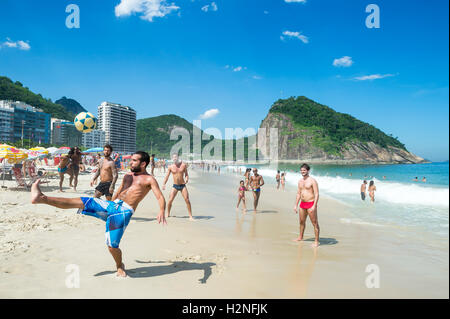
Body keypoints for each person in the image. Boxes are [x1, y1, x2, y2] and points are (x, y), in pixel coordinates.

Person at [30, 151, 167, 277]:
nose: (130, 163)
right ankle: (42, 198)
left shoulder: (149, 180)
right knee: (82, 201)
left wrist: (161, 210)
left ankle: (119, 266)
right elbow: (118, 191)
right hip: (113, 205)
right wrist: (110, 204)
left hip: (124, 212)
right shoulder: (127, 176)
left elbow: (160, 197)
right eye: (131, 160)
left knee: (112, 246)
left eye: (134, 161)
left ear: (143, 163)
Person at [293, 163, 320, 247]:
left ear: (308, 171)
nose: (302, 172)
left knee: (314, 223)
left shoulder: (312, 181)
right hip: (302, 204)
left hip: (311, 203)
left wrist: (314, 206)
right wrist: (295, 205)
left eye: (304, 170)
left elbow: (316, 194)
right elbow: (298, 193)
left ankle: (316, 241)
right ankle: (300, 237)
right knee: (301, 222)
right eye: (301, 170)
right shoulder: (300, 181)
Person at [162, 153, 193, 220]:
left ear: (178, 157)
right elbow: (167, 176)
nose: (174, 158)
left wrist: (187, 178)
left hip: (182, 185)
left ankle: (190, 216)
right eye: (173, 157)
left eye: (176, 157)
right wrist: (164, 184)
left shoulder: (183, 165)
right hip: (175, 186)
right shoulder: (171, 166)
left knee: (187, 200)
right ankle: (168, 213)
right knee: (170, 200)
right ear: (172, 158)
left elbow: (186, 174)